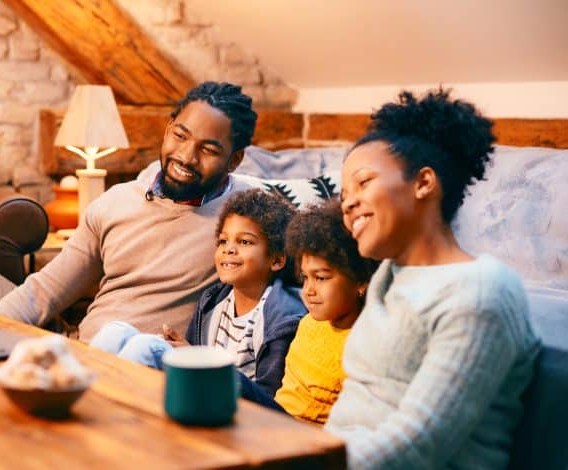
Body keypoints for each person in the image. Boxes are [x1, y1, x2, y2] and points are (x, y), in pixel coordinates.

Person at [0, 81, 258, 343]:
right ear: (167, 130)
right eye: (180, 136)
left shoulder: (246, 217)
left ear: (234, 160)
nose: (186, 157)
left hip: (135, 364)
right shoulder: (116, 202)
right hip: (75, 345)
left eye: (208, 149)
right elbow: (45, 292)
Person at [325, 89, 541, 469]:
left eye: (363, 182)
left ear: (424, 182)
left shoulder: (480, 291)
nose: (347, 202)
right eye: (344, 193)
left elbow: (416, 445)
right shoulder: (389, 274)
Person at [90, 189, 305, 400]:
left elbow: (269, 398)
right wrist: (189, 351)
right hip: (204, 387)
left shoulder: (282, 317)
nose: (228, 249)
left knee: (145, 348)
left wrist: (197, 358)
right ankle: (93, 404)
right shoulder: (214, 300)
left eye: (244, 242)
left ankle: (111, 412)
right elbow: (195, 351)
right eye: (223, 241)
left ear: (276, 260)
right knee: (115, 332)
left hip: (235, 406)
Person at [245, 199, 378, 423]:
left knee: (229, 382)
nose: (308, 290)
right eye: (305, 277)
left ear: (360, 281)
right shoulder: (308, 323)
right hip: (276, 424)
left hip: (311, 437)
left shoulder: (366, 345)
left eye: (321, 278)